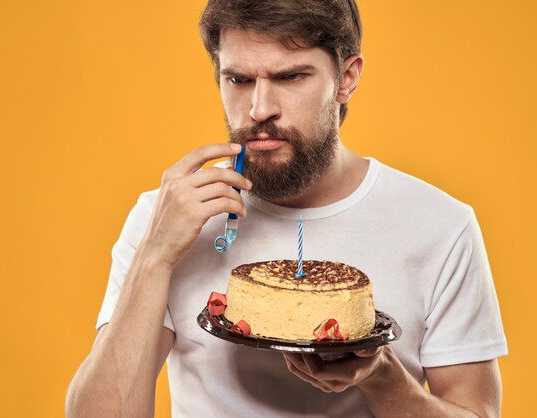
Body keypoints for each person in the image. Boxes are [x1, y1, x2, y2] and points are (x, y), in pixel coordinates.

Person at [66, 1, 507, 416]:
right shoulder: (166, 218)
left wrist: (383, 379)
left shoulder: (440, 225)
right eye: (238, 79)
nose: (259, 109)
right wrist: (155, 255)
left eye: (290, 77)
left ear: (347, 78)